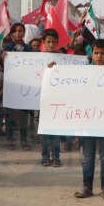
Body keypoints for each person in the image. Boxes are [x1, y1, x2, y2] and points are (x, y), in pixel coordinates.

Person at [73, 38, 104, 200]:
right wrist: (52, 70)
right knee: (88, 157)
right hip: (87, 121)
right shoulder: (83, 72)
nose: (99, 56)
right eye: (96, 53)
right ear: (91, 54)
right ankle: (87, 187)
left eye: (103, 53)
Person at [3, 23, 32, 150]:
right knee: (9, 114)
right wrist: (1, 58)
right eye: (15, 31)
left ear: (24, 33)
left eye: (21, 31)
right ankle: (9, 139)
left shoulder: (29, 49)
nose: (18, 33)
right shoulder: (6, 48)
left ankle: (24, 139)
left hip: (25, 85)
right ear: (12, 33)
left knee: (24, 115)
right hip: (10, 85)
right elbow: (0, 65)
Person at [39, 28, 63, 167]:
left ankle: (56, 157)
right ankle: (45, 156)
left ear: (57, 42)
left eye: (54, 42)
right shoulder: (37, 58)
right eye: (48, 42)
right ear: (43, 42)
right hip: (43, 100)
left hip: (57, 100)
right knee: (45, 131)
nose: (51, 44)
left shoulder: (63, 57)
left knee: (55, 131)